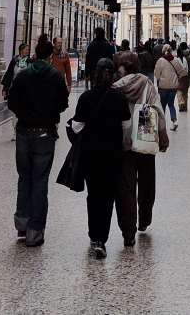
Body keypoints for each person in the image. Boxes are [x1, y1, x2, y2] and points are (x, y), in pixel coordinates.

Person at [6, 37, 70, 246]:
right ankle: (34, 232)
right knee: (40, 180)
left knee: (24, 177)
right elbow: (63, 103)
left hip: (24, 132)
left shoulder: (23, 75)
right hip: (45, 133)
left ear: (35, 53)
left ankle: (22, 224)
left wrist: (25, 114)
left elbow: (12, 101)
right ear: (50, 56)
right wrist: (48, 113)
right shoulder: (55, 76)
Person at [70, 57, 131, 259]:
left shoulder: (86, 98)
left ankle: (94, 236)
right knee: (108, 197)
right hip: (112, 154)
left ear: (95, 74)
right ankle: (102, 238)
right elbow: (126, 127)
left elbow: (77, 127)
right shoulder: (119, 98)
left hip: (91, 155)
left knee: (94, 195)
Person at [113, 51, 169, 245]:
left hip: (123, 143)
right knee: (147, 182)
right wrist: (163, 137)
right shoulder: (147, 84)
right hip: (145, 138)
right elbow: (158, 111)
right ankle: (144, 219)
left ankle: (128, 230)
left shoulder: (115, 87)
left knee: (126, 186)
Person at [153, 44, 184, 130]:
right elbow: (182, 71)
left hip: (163, 87)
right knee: (171, 104)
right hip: (173, 86)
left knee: (162, 105)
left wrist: (160, 79)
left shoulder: (160, 61)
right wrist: (177, 77)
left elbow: (156, 74)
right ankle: (174, 121)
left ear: (163, 51)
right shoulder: (176, 60)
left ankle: (162, 124)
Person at [175, 41, 190, 113]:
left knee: (179, 91)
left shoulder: (176, 60)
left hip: (179, 77)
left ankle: (181, 104)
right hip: (186, 77)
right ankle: (185, 106)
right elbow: (189, 68)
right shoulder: (188, 56)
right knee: (185, 92)